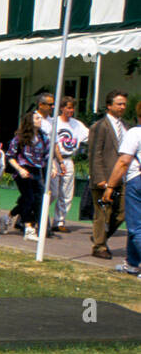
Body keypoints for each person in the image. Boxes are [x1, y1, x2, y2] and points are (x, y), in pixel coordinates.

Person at [87, 89, 129, 259]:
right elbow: (94, 153)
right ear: (109, 105)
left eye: (124, 104)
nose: (122, 107)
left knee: (122, 213)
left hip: (121, 177)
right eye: (119, 104)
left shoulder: (124, 125)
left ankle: (100, 236)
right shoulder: (100, 126)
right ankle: (99, 246)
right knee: (102, 213)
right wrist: (100, 179)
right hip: (104, 178)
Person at [99, 119, 141, 280]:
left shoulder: (135, 133)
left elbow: (123, 162)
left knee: (136, 227)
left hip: (136, 180)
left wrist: (110, 186)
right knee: (134, 225)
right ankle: (132, 263)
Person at [4, 111, 51, 241]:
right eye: (37, 118)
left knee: (35, 199)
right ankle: (29, 228)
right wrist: (19, 169)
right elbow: (10, 156)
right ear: (30, 121)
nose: (40, 120)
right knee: (28, 197)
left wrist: (52, 167)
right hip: (22, 171)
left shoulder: (43, 138)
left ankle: (8, 216)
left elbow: (47, 155)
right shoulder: (20, 138)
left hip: (36, 171)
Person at [48, 97, 88, 234]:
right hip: (53, 159)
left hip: (68, 159)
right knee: (53, 192)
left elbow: (89, 136)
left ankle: (59, 221)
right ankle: (37, 215)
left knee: (66, 193)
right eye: (68, 107)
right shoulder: (54, 123)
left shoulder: (77, 124)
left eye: (72, 108)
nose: (71, 110)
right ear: (61, 108)